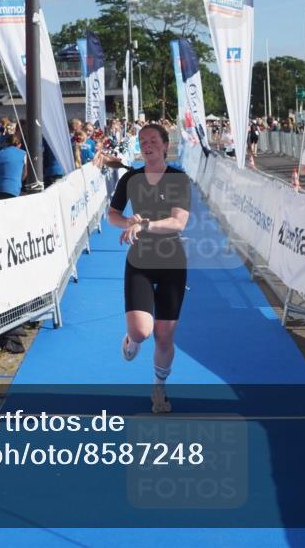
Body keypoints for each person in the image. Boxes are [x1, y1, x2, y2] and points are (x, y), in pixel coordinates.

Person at [108, 124, 191, 414]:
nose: (147, 144)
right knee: (143, 332)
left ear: (165, 145)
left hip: (172, 262)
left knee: (165, 336)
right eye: (143, 141)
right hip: (140, 261)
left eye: (153, 140)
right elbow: (113, 215)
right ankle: (131, 339)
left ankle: (159, 390)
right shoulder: (130, 178)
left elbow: (179, 222)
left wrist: (147, 225)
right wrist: (129, 222)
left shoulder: (178, 179)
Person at [0, 131, 28, 201]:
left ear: (6, 144)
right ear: (19, 145)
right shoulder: (23, 154)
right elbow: (25, 174)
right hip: (11, 190)